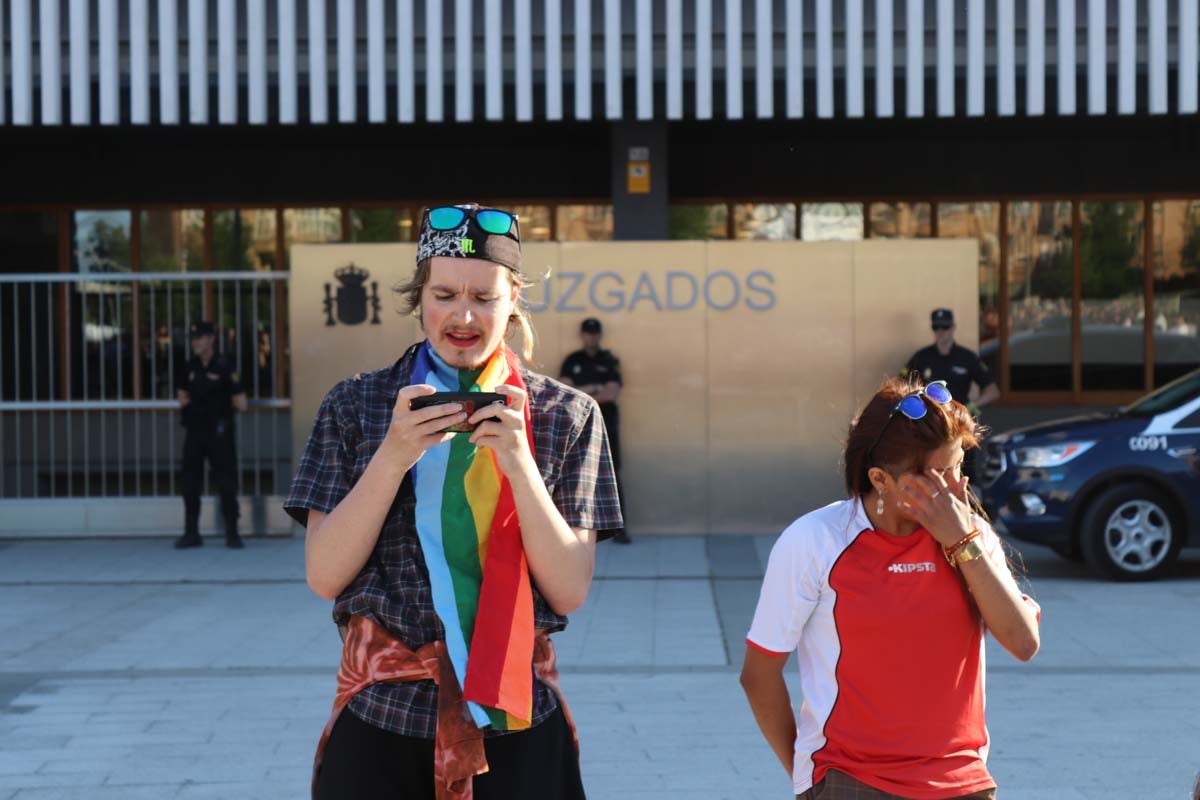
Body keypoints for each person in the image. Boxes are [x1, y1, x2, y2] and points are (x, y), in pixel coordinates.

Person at [285, 203, 622, 800]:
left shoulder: (566, 416)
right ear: (419, 298)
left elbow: (569, 588)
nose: (463, 315)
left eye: (484, 297)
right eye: (443, 294)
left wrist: (520, 464)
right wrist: (391, 457)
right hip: (382, 716)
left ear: (514, 298)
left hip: (516, 714)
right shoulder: (355, 406)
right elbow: (323, 573)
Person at [740, 376, 1040, 800]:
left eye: (959, 467)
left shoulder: (969, 534)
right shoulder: (815, 540)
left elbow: (1024, 642)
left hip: (962, 783)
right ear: (881, 479)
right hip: (850, 780)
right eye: (939, 475)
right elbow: (759, 673)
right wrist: (811, 782)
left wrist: (961, 543)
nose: (958, 488)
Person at [175, 320, 248, 549]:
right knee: (190, 482)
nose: (195, 342)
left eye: (199, 338)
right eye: (193, 338)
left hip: (220, 432)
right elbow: (182, 396)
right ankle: (191, 532)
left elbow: (241, 402)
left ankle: (232, 533)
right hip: (195, 432)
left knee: (226, 482)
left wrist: (219, 410)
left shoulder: (226, 365)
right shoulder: (189, 366)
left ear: (211, 340)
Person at [559, 317, 630, 544]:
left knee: (612, 474)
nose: (592, 337)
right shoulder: (572, 360)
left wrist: (582, 394)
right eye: (588, 333)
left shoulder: (609, 360)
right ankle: (576, 529)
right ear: (582, 335)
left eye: (595, 333)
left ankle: (619, 529)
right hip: (577, 425)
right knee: (576, 473)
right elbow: (564, 390)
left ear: (599, 334)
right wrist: (593, 389)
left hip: (607, 424)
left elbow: (611, 393)